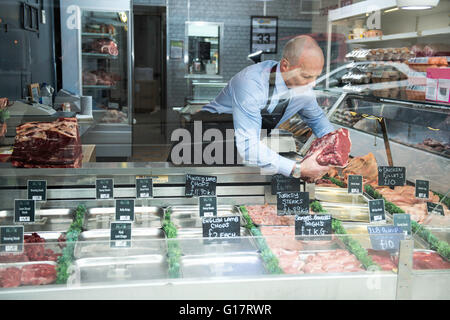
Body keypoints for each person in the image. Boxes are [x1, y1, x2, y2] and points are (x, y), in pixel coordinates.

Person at [170, 35, 335, 181]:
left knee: (229, 192)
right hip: (204, 138)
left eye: (316, 77)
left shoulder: (304, 91)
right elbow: (248, 146)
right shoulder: (251, 82)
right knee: (185, 190)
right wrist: (297, 169)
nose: (312, 84)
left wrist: (334, 154)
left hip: (237, 145)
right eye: (306, 76)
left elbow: (319, 121)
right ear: (285, 66)